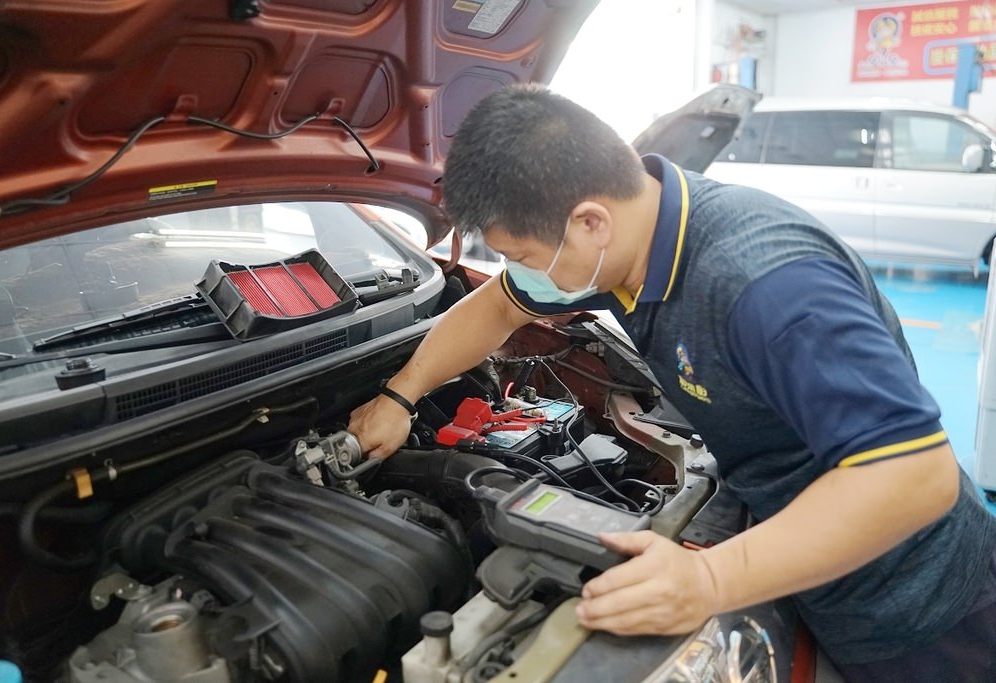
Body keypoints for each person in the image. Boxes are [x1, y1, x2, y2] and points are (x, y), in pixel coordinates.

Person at [347, 84, 996, 680]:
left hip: (917, 605)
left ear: (590, 222)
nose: (518, 271)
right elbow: (500, 306)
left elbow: (916, 475)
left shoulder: (764, 286)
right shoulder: (634, 236)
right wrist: (400, 395)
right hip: (809, 560)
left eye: (520, 254)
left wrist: (710, 578)